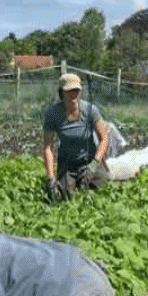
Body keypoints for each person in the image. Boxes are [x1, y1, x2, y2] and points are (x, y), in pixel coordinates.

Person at [41, 72, 110, 202]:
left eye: (76, 91)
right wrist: (50, 178)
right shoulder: (53, 114)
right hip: (68, 163)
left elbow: (104, 138)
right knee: (63, 198)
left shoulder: (90, 110)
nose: (74, 95)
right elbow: (47, 147)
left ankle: (93, 173)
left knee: (102, 192)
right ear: (62, 92)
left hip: (90, 159)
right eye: (69, 91)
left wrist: (94, 164)